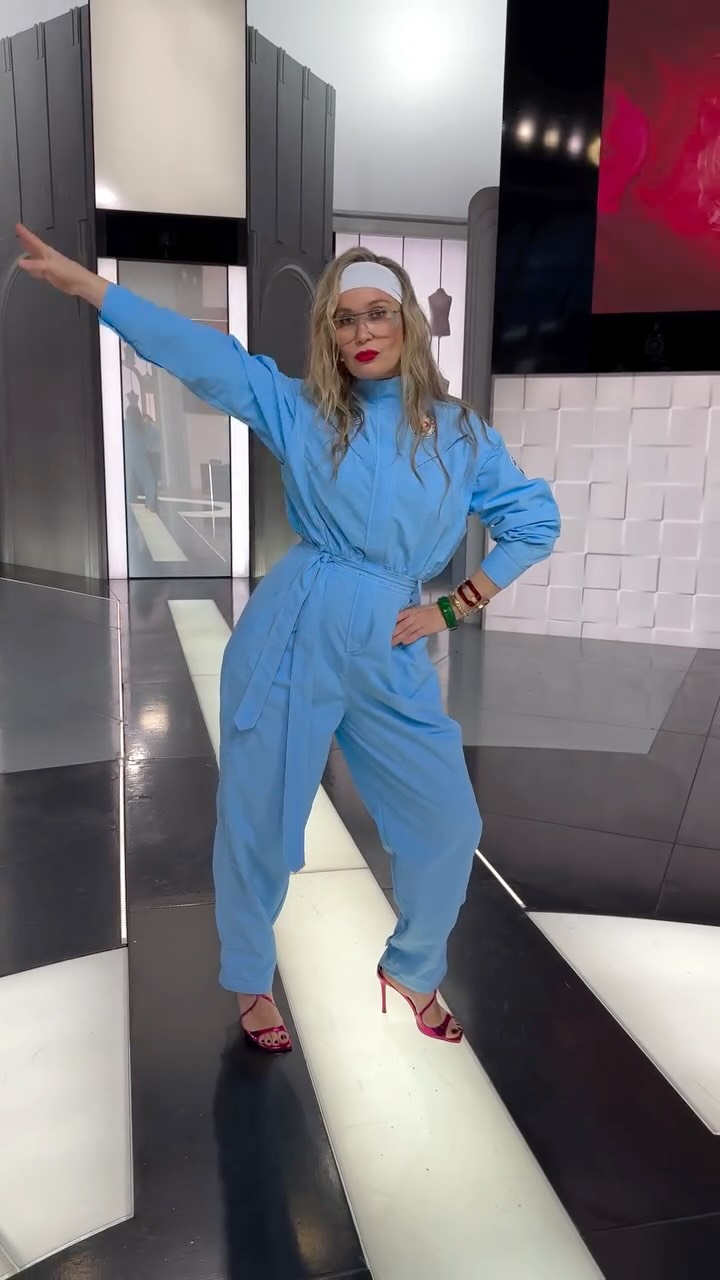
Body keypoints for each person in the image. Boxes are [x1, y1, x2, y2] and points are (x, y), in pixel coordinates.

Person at [16, 226, 560, 1053]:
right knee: (260, 821)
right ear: (329, 335)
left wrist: (456, 606)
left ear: (408, 322)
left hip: (390, 641)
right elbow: (206, 358)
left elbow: (532, 521)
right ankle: (249, 977)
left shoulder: (461, 435)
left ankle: (414, 967)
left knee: (447, 822)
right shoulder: (305, 410)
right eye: (344, 320)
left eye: (378, 313)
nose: (362, 332)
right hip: (292, 630)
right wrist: (95, 290)